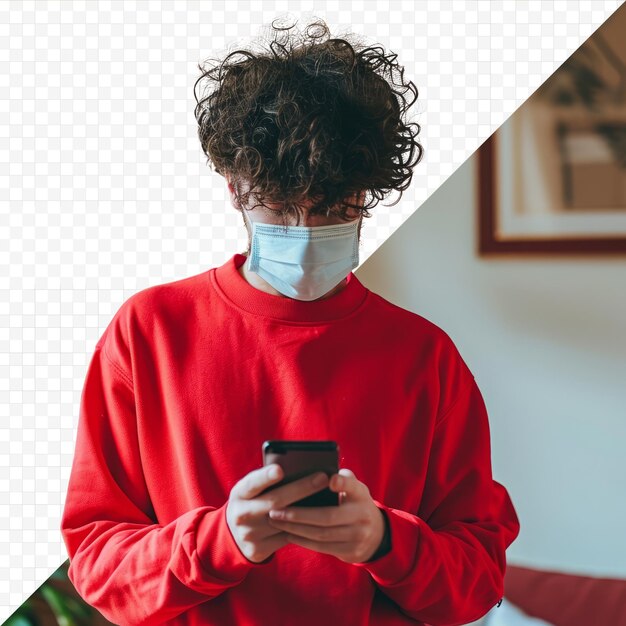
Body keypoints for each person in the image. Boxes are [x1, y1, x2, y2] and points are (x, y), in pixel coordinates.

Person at [60, 17, 520, 626]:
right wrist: (220, 541)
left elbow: (478, 580)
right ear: (233, 187)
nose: (304, 234)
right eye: (279, 205)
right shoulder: (149, 332)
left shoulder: (423, 356)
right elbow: (98, 565)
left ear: (367, 195)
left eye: (333, 208)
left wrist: (385, 541)